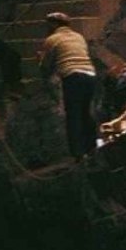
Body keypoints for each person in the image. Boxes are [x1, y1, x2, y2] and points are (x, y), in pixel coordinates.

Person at [38, 13, 97, 160]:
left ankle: (77, 153)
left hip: (72, 75)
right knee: (86, 112)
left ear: (53, 25)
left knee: (73, 114)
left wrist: (39, 59)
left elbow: (46, 66)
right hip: (90, 74)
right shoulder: (79, 37)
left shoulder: (52, 39)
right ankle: (92, 147)